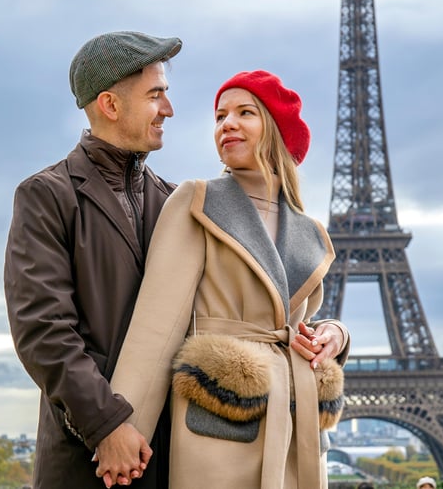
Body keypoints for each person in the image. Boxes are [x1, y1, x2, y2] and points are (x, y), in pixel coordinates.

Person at [97, 70, 351, 488]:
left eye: (245, 112)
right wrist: (119, 428)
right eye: (220, 116)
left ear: (276, 129)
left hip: (296, 427)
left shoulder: (312, 231)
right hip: (220, 429)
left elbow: (299, 325)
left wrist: (334, 334)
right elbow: (156, 327)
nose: (226, 124)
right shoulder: (197, 201)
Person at [3, 30, 183, 489]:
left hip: (169, 458)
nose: (169, 109)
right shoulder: (46, 196)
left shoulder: (177, 203)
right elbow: (42, 329)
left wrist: (329, 334)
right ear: (110, 104)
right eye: (156, 95)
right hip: (86, 461)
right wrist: (105, 426)